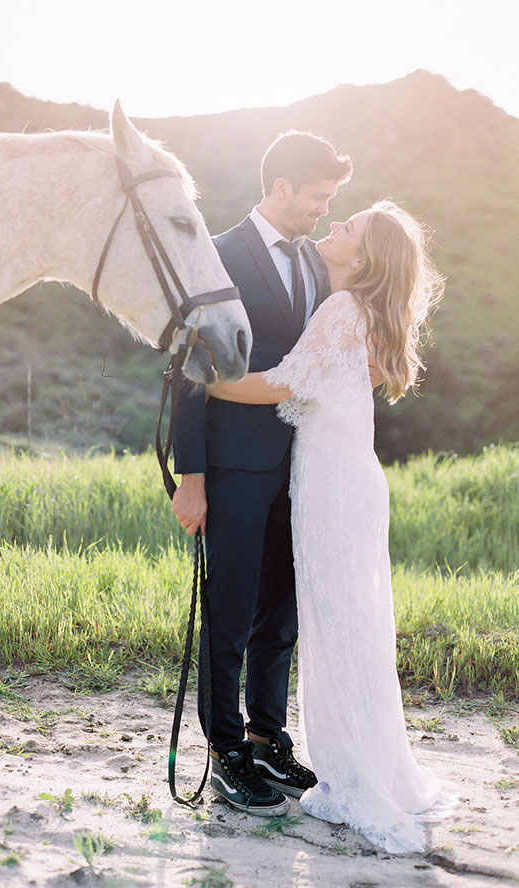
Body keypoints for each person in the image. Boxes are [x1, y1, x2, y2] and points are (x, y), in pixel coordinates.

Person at [208, 199, 449, 853]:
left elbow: (281, 384)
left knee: (336, 628)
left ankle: (349, 781)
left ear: (363, 257)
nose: (333, 228)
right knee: (350, 628)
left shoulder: (343, 309)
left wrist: (207, 380)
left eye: (349, 229)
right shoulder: (363, 311)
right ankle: (363, 768)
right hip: (349, 483)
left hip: (333, 492)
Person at [172, 130, 354, 816]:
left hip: (302, 468)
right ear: (280, 187)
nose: (321, 210)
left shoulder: (315, 261)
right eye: (316, 198)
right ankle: (224, 753)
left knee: (282, 613)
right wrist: (191, 479)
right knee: (232, 613)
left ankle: (266, 733)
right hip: (234, 467)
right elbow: (192, 374)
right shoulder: (215, 257)